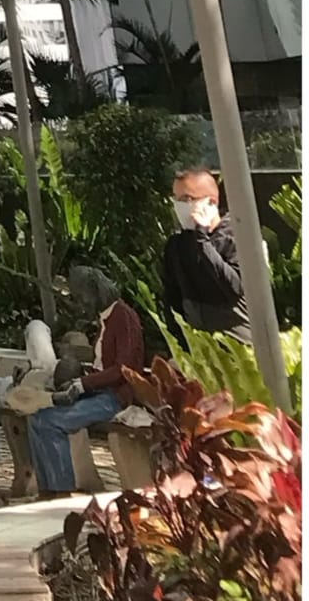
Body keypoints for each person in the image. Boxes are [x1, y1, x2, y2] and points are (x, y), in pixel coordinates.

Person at [27, 266, 145, 496]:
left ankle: (60, 490)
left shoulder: (124, 317)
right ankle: (48, 488)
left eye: (81, 298)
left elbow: (123, 368)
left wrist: (83, 384)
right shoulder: (105, 319)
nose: (80, 304)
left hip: (115, 397)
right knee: (37, 417)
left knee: (52, 422)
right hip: (100, 391)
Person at [160, 165, 254, 345]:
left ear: (211, 202)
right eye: (176, 199)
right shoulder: (177, 245)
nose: (180, 205)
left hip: (238, 347)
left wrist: (202, 238)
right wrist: (178, 343)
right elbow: (172, 296)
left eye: (187, 198)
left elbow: (233, 287)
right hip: (201, 350)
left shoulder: (237, 237)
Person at [0, 318, 55, 492]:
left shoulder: (37, 330)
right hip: (34, 385)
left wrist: (31, 367)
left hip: (27, 392)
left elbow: (46, 364)